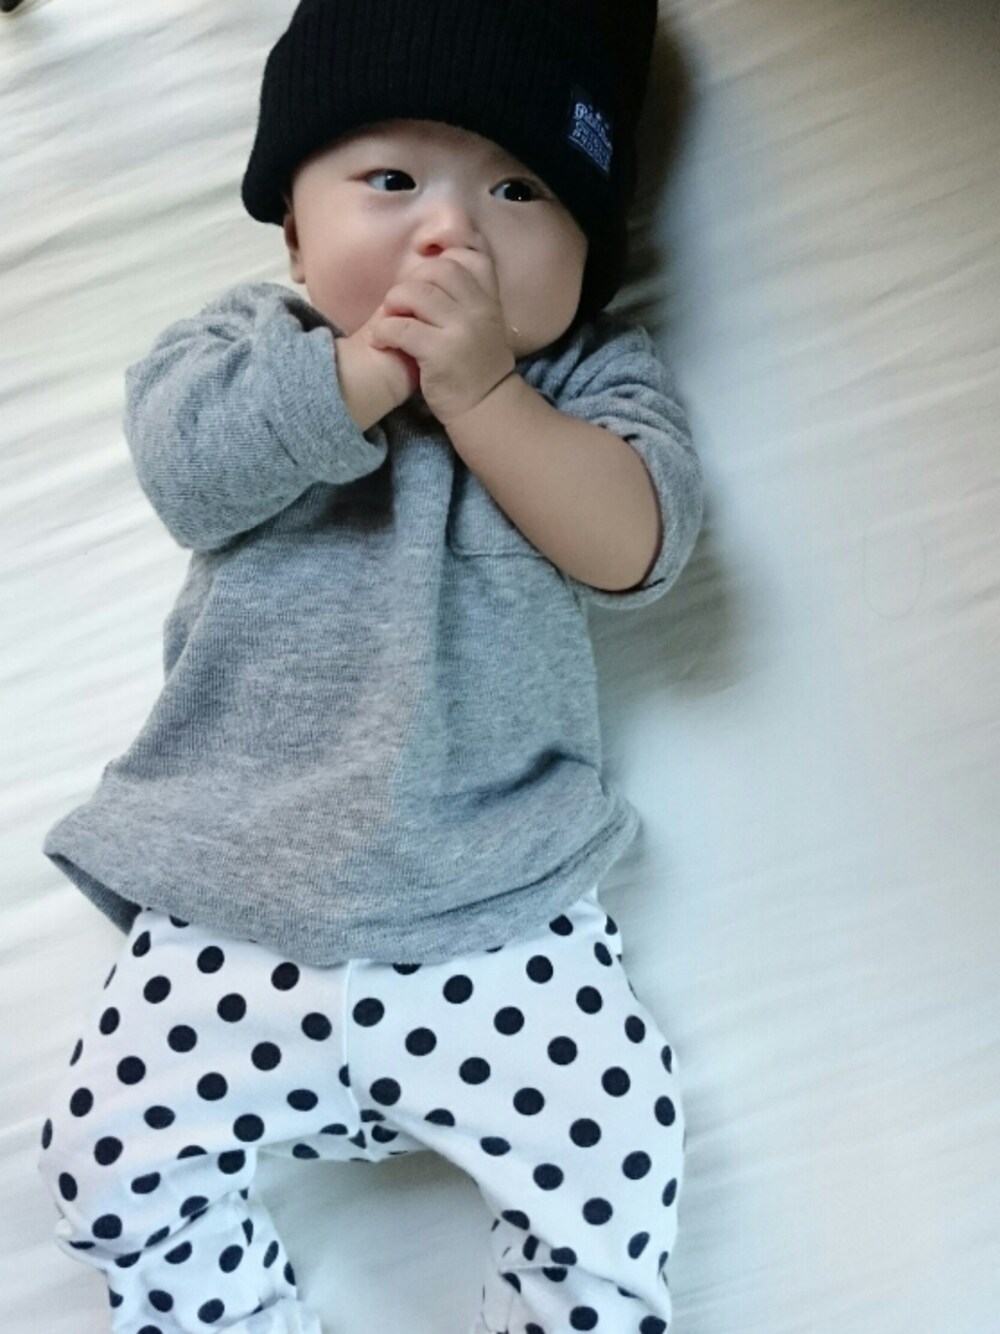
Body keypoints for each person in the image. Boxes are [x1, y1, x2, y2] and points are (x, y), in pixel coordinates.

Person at [36, 1, 703, 1330]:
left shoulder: (589, 382)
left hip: (499, 913)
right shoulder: (244, 346)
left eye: (518, 190)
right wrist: (365, 373)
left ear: (590, 254)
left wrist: (484, 396)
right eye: (391, 180)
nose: (450, 234)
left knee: (620, 1156)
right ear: (293, 228)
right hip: (228, 902)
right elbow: (188, 471)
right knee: (102, 1163)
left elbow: (637, 545)